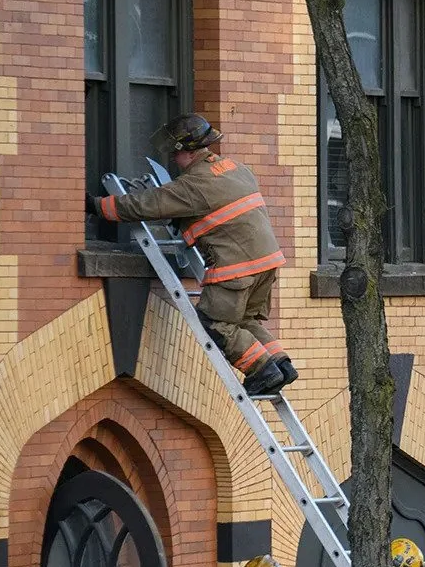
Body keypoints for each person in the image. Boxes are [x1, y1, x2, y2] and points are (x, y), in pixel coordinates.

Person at [86, 113, 296, 396]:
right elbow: (218, 211)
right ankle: (281, 365)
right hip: (267, 263)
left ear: (184, 151)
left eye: (175, 154)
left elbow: (146, 204)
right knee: (243, 321)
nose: (173, 161)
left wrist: (98, 207)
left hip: (235, 268)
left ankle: (261, 370)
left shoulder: (193, 184)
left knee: (217, 322)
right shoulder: (237, 168)